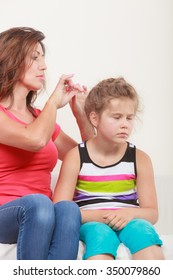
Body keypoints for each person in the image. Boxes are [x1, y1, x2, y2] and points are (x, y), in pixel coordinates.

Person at [0, 26, 93, 260]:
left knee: (68, 208)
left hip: (42, 213)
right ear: (10, 61)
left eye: (43, 57)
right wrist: (54, 101)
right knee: (41, 205)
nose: (44, 66)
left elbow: (89, 158)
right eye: (34, 57)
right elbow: (34, 140)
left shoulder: (41, 118)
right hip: (7, 213)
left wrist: (81, 115)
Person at [53, 77, 165, 260]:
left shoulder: (140, 159)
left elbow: (152, 213)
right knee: (100, 235)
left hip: (130, 221)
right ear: (94, 118)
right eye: (117, 117)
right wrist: (105, 217)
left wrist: (129, 214)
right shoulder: (75, 157)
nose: (125, 124)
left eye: (130, 118)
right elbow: (61, 210)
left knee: (143, 231)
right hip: (92, 224)